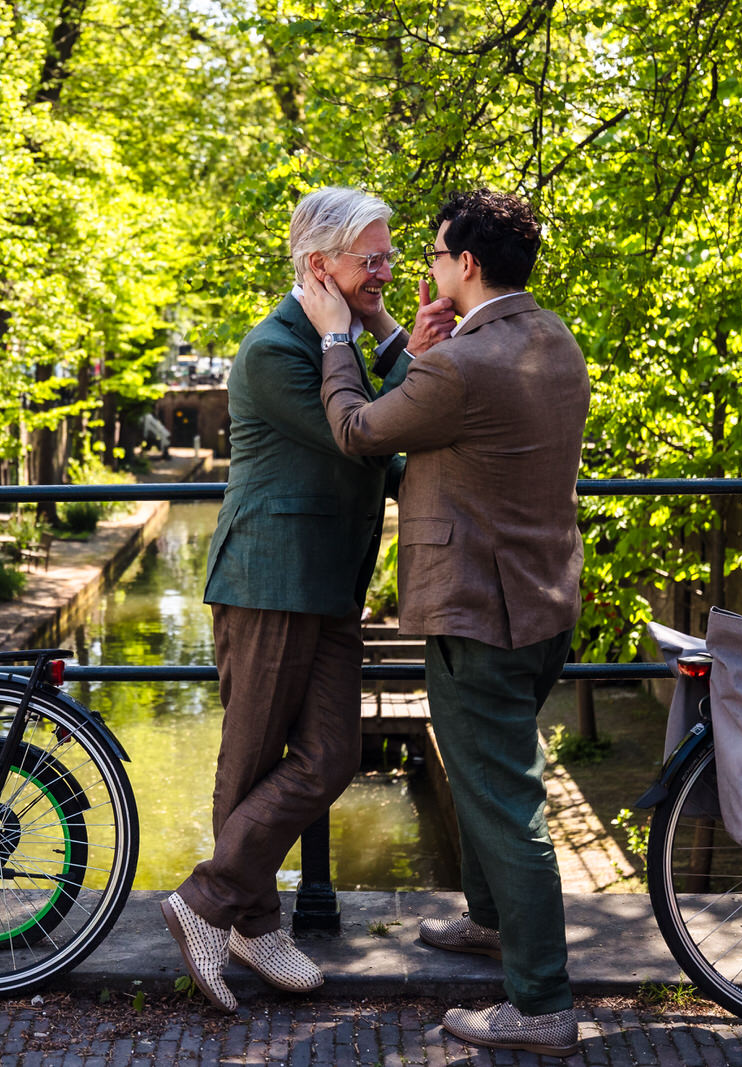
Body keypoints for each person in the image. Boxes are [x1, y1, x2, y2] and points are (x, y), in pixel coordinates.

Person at [301, 188, 590, 1058]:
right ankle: (490, 923)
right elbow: (443, 389)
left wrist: (335, 339)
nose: (422, 268)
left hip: (479, 614)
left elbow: (359, 428)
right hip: (544, 604)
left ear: (465, 264)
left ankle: (540, 1004)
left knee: (506, 804)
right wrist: (397, 327)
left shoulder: (465, 366)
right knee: (491, 782)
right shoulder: (550, 341)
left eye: (430, 255)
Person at [161, 186, 452, 1012]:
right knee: (249, 760)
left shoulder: (337, 344)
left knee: (333, 755)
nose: (387, 271)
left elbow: (378, 433)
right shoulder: (276, 349)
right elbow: (356, 432)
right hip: (267, 583)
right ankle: (252, 920)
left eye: (391, 255)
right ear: (319, 264)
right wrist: (395, 356)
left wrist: (406, 348)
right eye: (372, 257)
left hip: (326, 588)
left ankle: (211, 902)